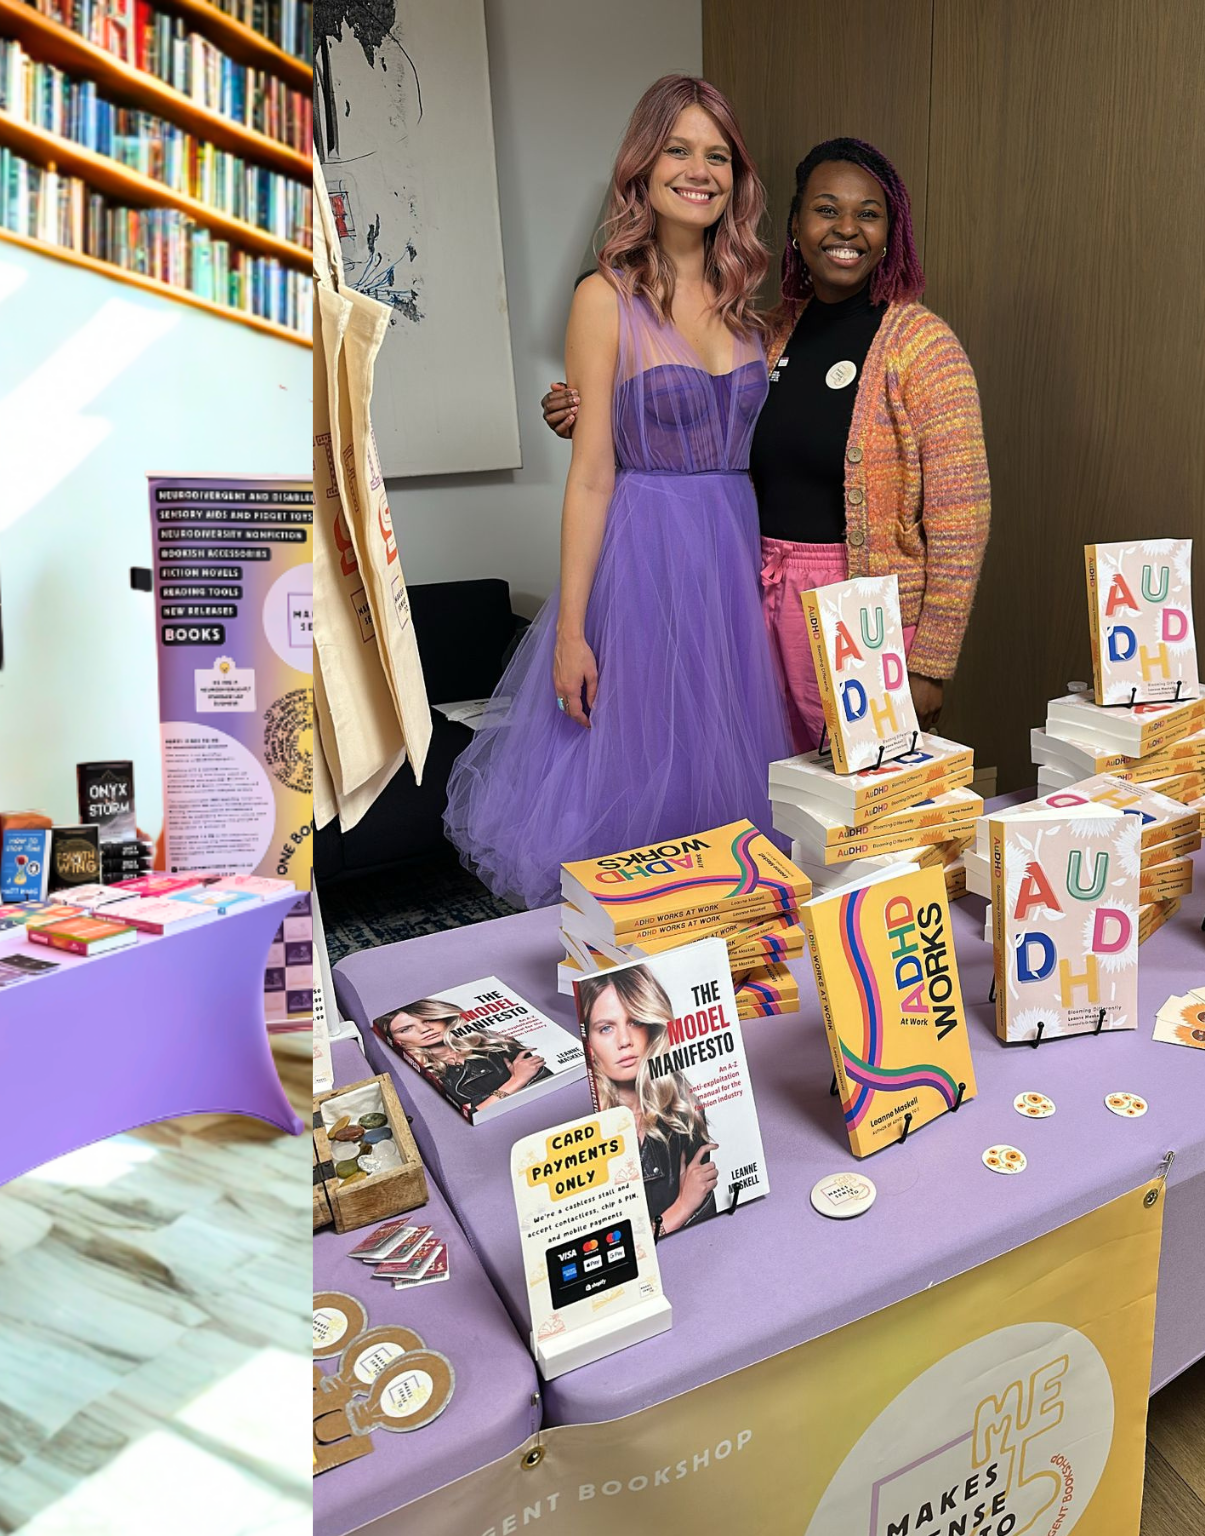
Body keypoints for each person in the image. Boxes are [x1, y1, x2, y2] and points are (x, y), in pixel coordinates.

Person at [443, 76, 789, 908]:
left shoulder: (752, 307)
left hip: (734, 562)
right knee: (634, 774)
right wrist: (570, 629)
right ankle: (631, 974)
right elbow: (593, 473)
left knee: (728, 788)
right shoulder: (604, 299)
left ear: (736, 177)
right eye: (678, 149)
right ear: (643, 165)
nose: (698, 170)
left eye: (717, 155)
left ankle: (722, 960)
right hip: (644, 558)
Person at [546, 136, 989, 749]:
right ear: (796, 227)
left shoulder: (923, 347)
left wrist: (932, 663)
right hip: (748, 595)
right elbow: (703, 428)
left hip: (860, 612)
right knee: (768, 789)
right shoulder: (765, 330)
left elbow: (961, 520)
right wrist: (591, 410)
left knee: (853, 805)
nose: (846, 229)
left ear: (892, 232)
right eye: (826, 209)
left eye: (869, 214)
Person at [576, 967, 721, 1235]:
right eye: (606, 1028)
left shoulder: (682, 1116)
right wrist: (680, 1208)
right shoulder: (589, 1135)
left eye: (635, 1022)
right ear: (589, 1041)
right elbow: (613, 1243)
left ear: (652, 1029)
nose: (624, 1041)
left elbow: (706, 1225)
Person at [376, 997, 548, 1118]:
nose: (424, 1030)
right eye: (406, 1029)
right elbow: (476, 1114)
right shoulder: (425, 1071)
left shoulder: (495, 1044)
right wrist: (516, 1080)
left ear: (444, 1018)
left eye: (429, 1020)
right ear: (397, 1040)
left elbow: (544, 1079)